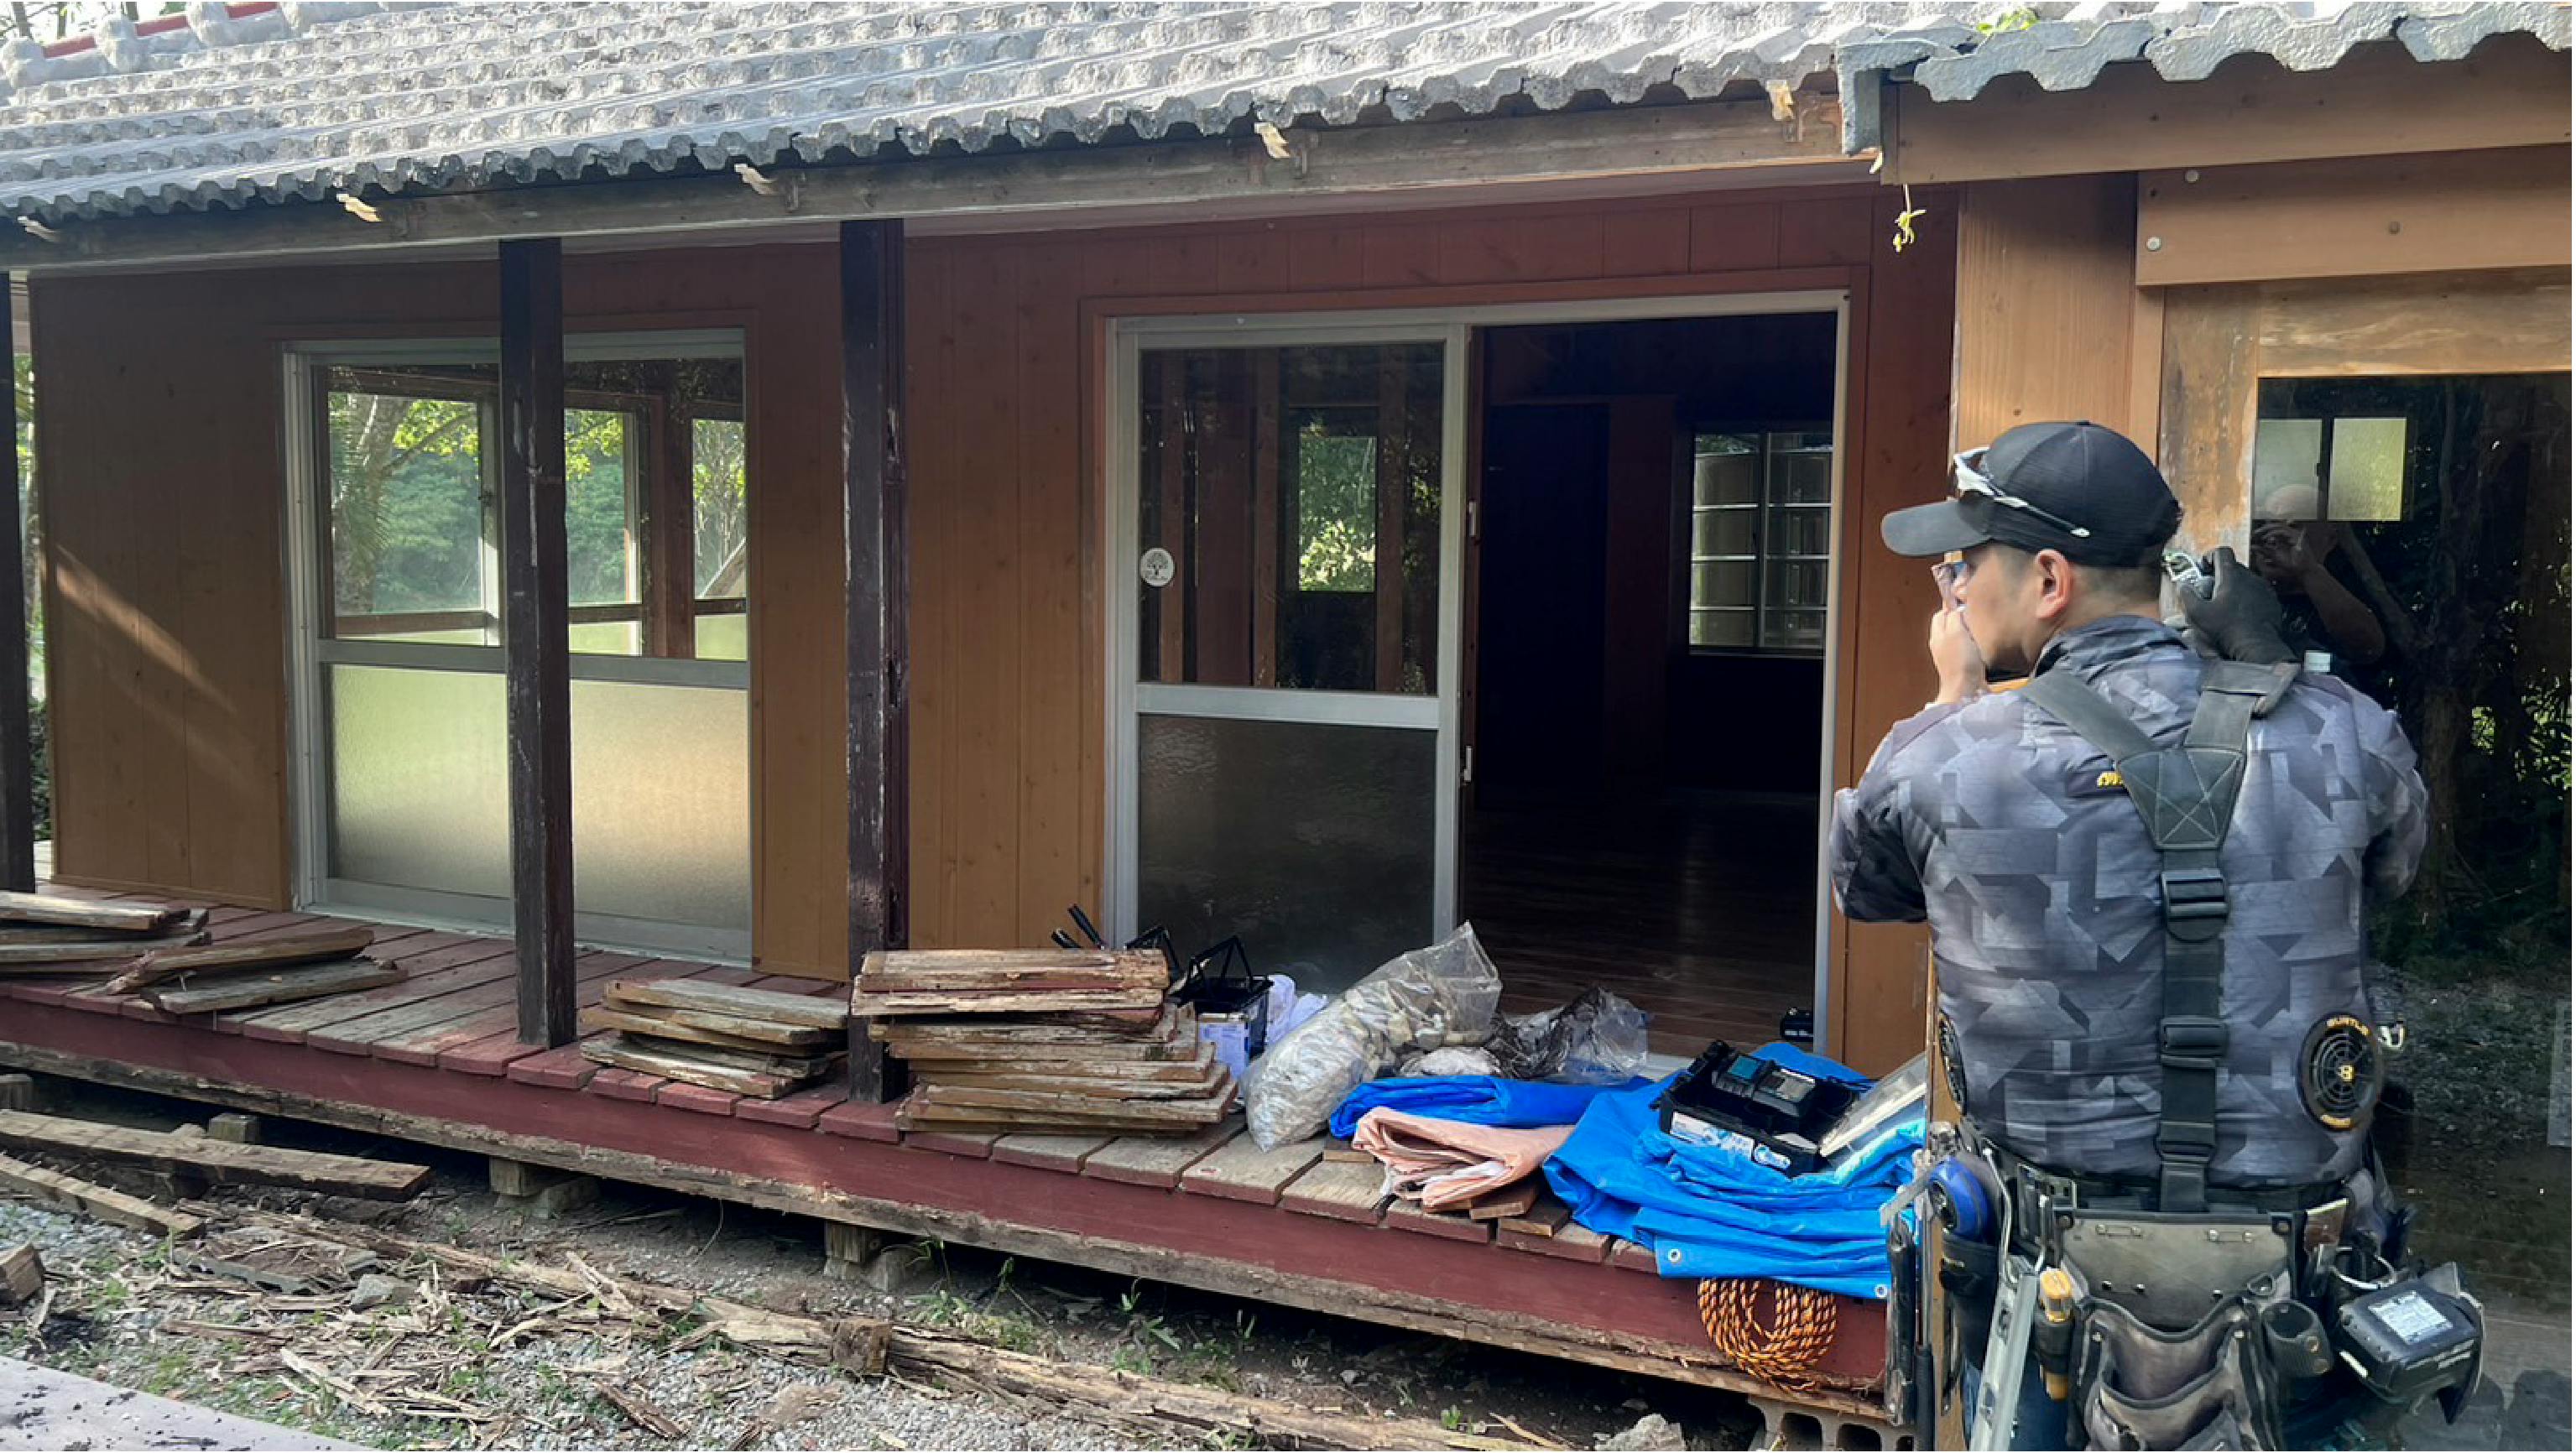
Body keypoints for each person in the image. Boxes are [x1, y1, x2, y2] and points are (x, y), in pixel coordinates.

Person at [1829, 422, 2433, 1450]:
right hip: (2298, 1311)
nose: (1955, 590)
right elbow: (2392, 862)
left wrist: (1951, 698)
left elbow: (1865, 884)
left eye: (1964, 563)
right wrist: (2267, 672)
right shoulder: (2342, 730)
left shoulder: (1943, 759)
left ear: (2047, 578)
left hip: (2047, 1312)